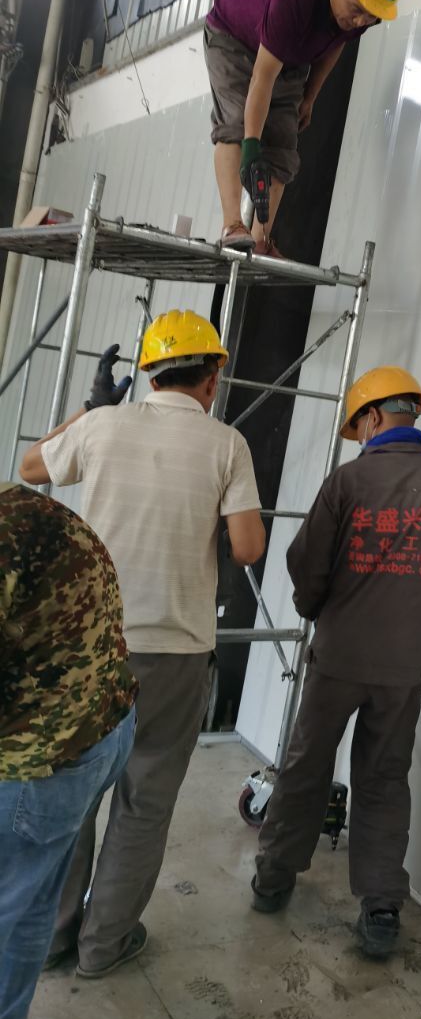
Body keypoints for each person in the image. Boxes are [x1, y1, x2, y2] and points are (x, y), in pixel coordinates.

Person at [19, 310, 265, 977]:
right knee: (145, 802)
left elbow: (32, 466)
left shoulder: (103, 426)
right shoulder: (227, 445)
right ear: (212, 379)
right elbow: (247, 548)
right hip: (175, 653)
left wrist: (91, 408)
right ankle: (104, 946)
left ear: (149, 375)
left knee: (73, 796)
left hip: (90, 648)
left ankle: (52, 939)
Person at [250, 367, 421, 958]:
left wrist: (316, 610)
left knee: (306, 766)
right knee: (383, 777)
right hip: (405, 670)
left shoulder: (348, 482)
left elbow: (307, 566)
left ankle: (274, 878)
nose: (359, 440)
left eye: (358, 428)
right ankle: (381, 908)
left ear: (373, 417)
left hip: (339, 658)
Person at [0, 482, 137, 1019]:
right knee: (31, 900)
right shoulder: (24, 507)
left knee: (18, 901)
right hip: (102, 729)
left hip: (36, 767)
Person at [204, 0, 407, 256]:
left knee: (283, 140)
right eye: (357, 9)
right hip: (233, 38)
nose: (361, 20)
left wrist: (310, 96)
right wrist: (251, 143)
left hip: (290, 52)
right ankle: (233, 226)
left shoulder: (359, 14)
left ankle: (260, 239)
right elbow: (262, 78)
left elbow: (335, 44)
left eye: (371, 15)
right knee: (237, 124)